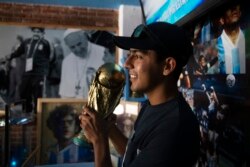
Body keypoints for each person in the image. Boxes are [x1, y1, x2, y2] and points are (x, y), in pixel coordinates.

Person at [79, 22, 200, 167]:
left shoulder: (175, 129)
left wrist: (99, 140)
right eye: (130, 54)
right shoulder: (152, 106)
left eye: (138, 56)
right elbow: (137, 155)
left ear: (167, 66)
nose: (127, 64)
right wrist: (108, 128)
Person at [8, 27, 51, 113]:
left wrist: (45, 72)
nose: (36, 33)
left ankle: (36, 114)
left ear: (42, 33)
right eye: (34, 31)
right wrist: (9, 57)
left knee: (37, 94)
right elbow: (18, 52)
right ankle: (27, 110)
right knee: (23, 92)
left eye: (38, 32)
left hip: (38, 74)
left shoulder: (45, 43)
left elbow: (47, 58)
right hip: (27, 73)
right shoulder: (26, 42)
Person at [59, 29, 105, 98]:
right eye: (72, 47)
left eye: (79, 44)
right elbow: (64, 93)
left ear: (86, 38)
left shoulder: (103, 53)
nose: (78, 49)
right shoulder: (67, 61)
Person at [217, 1, 245, 74]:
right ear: (222, 20)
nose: (234, 8)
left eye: (236, 4)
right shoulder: (216, 45)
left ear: (240, 13)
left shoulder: (246, 37)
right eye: (228, 7)